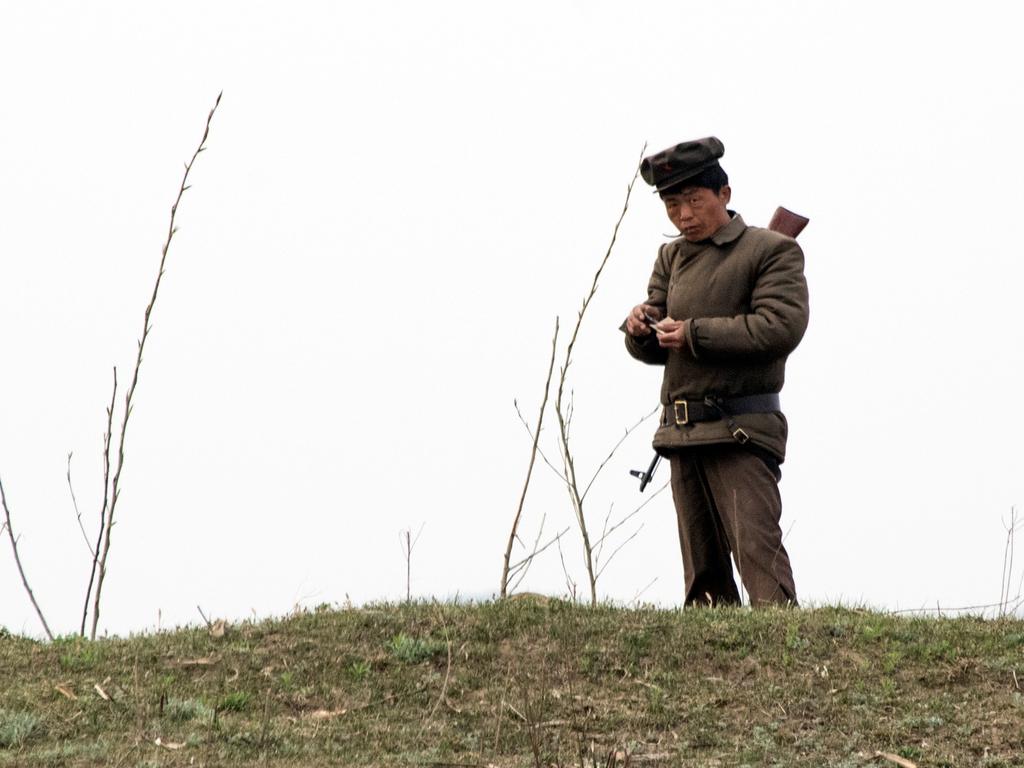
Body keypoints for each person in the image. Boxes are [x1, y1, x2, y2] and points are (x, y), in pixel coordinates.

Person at [622, 136, 808, 607]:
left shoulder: (771, 251)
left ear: (724, 195)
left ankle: (788, 661)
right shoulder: (670, 257)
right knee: (703, 582)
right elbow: (657, 343)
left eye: (693, 201)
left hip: (741, 429)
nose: (683, 215)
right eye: (672, 205)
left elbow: (779, 327)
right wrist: (640, 328)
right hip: (682, 433)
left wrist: (694, 334)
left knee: (760, 561)